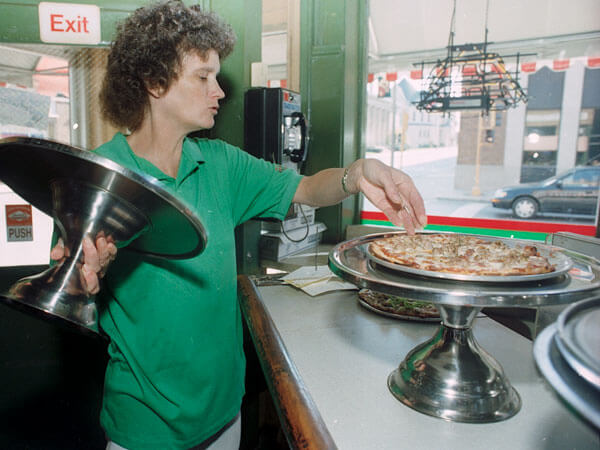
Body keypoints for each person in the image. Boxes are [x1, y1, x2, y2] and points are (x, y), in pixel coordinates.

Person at [51, 1, 426, 449]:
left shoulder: (221, 164)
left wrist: (356, 173)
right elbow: (69, 289)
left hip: (225, 416)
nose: (219, 91)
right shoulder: (101, 175)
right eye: (203, 76)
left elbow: (306, 188)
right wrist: (83, 280)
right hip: (144, 428)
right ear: (154, 82)